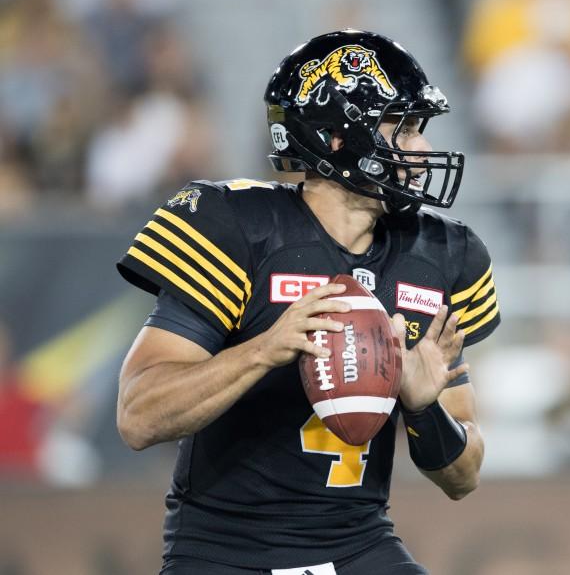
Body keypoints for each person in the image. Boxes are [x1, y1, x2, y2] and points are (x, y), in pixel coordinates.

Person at [115, 29, 501, 575]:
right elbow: (137, 417)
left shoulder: (438, 254)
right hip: (224, 552)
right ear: (339, 140)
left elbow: (465, 476)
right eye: (404, 128)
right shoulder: (241, 229)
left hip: (356, 543)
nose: (418, 149)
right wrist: (261, 350)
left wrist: (422, 407)